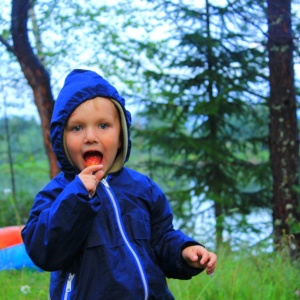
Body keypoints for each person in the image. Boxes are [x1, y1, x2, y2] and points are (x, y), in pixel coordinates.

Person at [22, 69, 217, 300]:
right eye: (77, 128)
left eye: (103, 126)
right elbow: (44, 252)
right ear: (61, 139)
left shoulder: (143, 188)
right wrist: (76, 196)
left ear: (121, 134)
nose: (90, 137)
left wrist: (184, 251)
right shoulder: (57, 193)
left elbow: (161, 238)